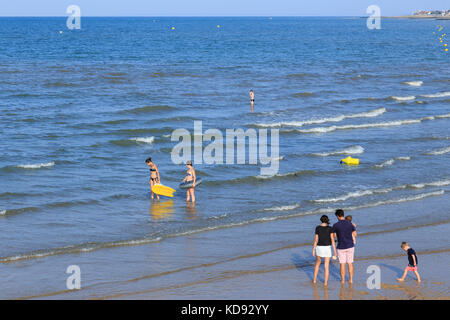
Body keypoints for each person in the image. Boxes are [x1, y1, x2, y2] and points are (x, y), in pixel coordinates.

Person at [331, 209, 357, 284]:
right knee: (350, 263)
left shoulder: (335, 225)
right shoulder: (350, 224)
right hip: (350, 245)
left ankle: (342, 280)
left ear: (337, 216)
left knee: (342, 264)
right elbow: (354, 234)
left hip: (341, 246)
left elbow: (334, 236)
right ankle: (351, 279)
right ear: (343, 214)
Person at [312, 215, 337, 286]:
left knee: (317, 264)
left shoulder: (317, 228)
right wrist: (335, 251)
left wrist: (313, 249)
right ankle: (325, 283)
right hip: (327, 248)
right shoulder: (330, 228)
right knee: (326, 266)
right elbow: (332, 240)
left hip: (319, 247)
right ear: (327, 220)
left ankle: (314, 280)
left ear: (321, 220)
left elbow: (316, 239)